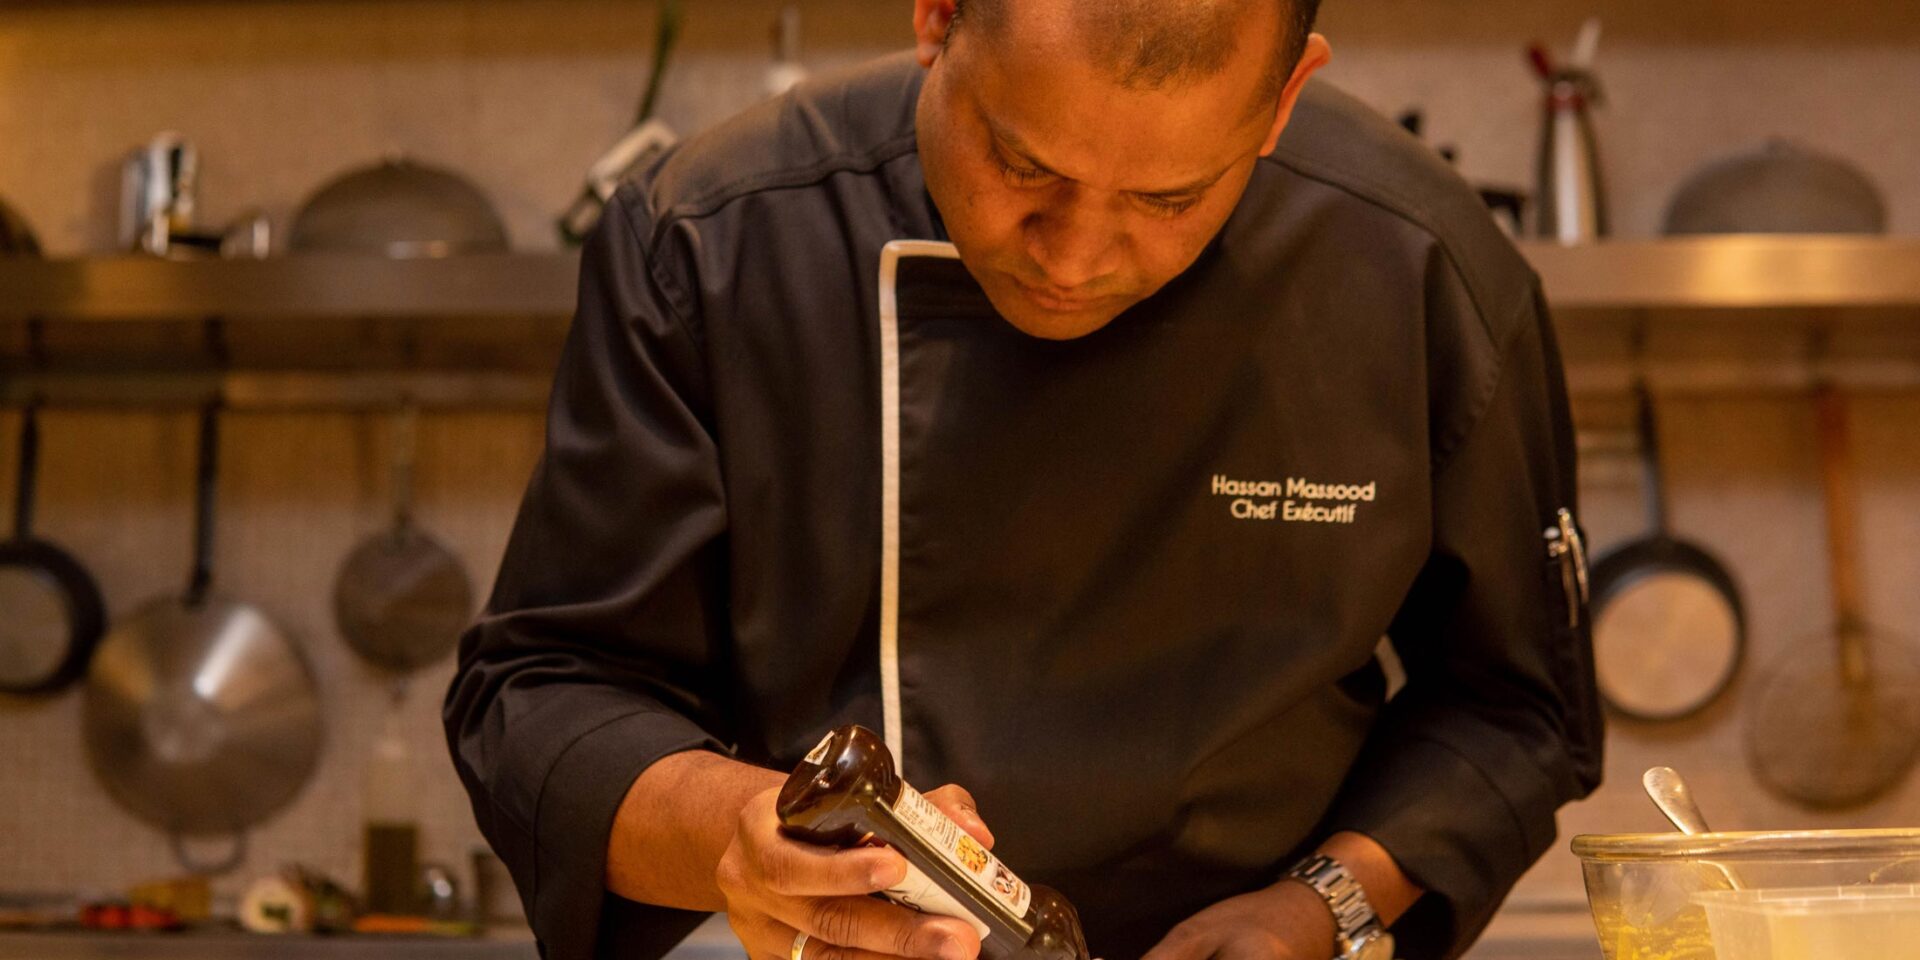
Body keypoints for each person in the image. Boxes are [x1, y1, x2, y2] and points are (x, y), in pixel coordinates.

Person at [444, 1, 1603, 959]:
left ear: (1287, 95)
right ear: (939, 18)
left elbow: (1518, 708)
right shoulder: (714, 236)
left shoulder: (1421, 267)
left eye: (1169, 198)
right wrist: (743, 840)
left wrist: (1320, 909)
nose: (1075, 253)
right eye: (1021, 164)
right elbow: (540, 693)